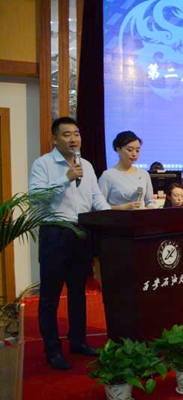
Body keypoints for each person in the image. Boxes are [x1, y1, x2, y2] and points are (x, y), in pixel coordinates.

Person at [28, 117, 111, 370]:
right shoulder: (43, 164)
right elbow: (36, 198)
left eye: (76, 133)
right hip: (55, 232)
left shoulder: (86, 165)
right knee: (50, 296)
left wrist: (112, 217)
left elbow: (96, 197)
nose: (73, 139)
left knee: (78, 293)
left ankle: (78, 341)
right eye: (66, 134)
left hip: (81, 232)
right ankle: (52, 350)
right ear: (55, 139)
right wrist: (66, 178)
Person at [98, 131, 156, 209]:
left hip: (141, 216)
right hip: (118, 216)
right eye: (130, 150)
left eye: (137, 150)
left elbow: (150, 201)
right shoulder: (108, 175)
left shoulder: (143, 174)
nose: (134, 154)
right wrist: (122, 207)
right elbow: (99, 206)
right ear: (118, 150)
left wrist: (149, 209)